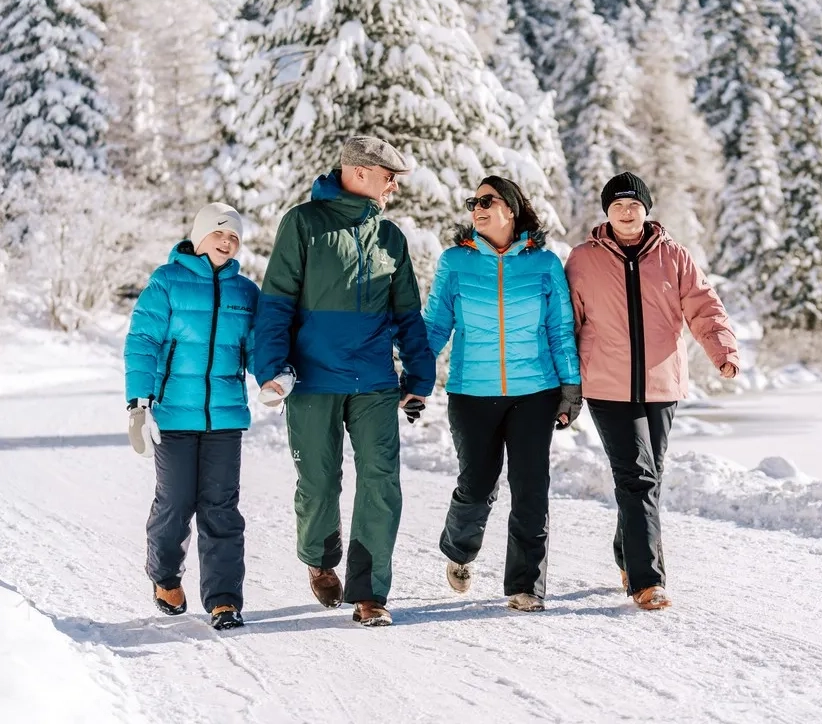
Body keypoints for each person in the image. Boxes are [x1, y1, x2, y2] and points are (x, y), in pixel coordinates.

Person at [253, 135, 437, 627]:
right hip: (313, 379)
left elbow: (407, 314)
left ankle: (370, 592)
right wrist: (271, 367)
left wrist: (420, 374)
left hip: (374, 380)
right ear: (359, 173)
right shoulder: (303, 224)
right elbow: (276, 301)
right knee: (319, 482)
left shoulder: (390, 237)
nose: (394, 187)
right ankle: (319, 558)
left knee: (381, 480)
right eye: (388, 177)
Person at [565, 172, 739, 611]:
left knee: (649, 477)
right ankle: (647, 581)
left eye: (634, 205)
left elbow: (704, 307)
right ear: (606, 212)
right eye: (618, 205)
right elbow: (567, 321)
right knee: (637, 477)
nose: (626, 212)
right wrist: (564, 381)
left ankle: (627, 553)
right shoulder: (583, 259)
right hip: (606, 383)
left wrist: (722, 352)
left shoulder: (673, 256)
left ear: (646, 210)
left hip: (662, 382)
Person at [423, 176, 581, 612]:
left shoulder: (544, 264)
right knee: (476, 485)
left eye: (486, 200)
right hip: (471, 392)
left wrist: (570, 386)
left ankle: (526, 585)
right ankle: (459, 550)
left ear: (510, 208)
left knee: (531, 487)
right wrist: (415, 376)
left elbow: (560, 328)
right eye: (473, 202)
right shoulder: (455, 261)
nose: (477, 207)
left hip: (536, 391)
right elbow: (435, 325)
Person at [124, 203, 259, 631]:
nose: (227, 242)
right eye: (219, 233)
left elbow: (259, 348)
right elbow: (142, 341)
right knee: (176, 503)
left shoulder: (246, 292)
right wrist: (138, 404)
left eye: (234, 237)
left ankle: (224, 600)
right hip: (173, 416)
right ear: (199, 237)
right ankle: (164, 576)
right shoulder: (167, 282)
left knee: (222, 509)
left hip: (225, 418)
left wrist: (277, 377)